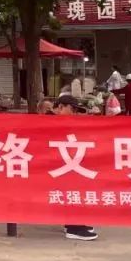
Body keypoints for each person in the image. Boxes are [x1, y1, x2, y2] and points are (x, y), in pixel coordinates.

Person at [53, 94, 99, 242]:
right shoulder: (51, 121)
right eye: (72, 109)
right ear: (61, 107)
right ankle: (74, 227)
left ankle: (72, 223)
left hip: (65, 164)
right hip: (58, 167)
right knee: (74, 190)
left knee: (74, 190)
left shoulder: (63, 121)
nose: (75, 113)